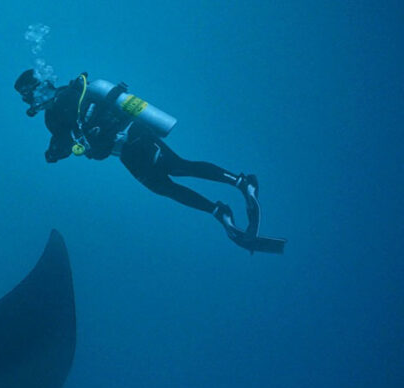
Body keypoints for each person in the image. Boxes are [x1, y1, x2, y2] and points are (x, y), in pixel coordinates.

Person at [15, 69, 284, 254]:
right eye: (28, 98)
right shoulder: (52, 119)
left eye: (32, 94)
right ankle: (219, 213)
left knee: (178, 167)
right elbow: (63, 142)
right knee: (164, 188)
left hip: (135, 135)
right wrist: (54, 153)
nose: (32, 100)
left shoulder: (75, 93)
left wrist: (90, 134)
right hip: (123, 153)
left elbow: (102, 117)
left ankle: (242, 183)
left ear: (44, 86)